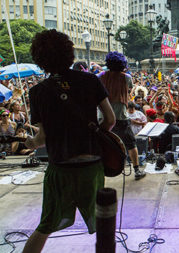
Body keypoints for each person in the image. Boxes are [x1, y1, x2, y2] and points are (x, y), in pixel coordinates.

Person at [22, 29, 116, 253]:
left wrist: (31, 144)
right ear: (69, 52)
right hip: (91, 165)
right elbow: (110, 120)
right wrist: (94, 136)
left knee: (45, 226)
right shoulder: (90, 80)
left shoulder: (38, 92)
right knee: (104, 225)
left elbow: (42, 139)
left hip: (61, 168)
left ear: (39, 58)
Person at [98, 51, 146, 180]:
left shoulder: (100, 76)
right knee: (131, 144)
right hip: (120, 117)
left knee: (101, 144)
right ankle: (136, 170)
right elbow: (129, 90)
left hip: (102, 117)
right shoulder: (126, 77)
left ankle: (100, 170)